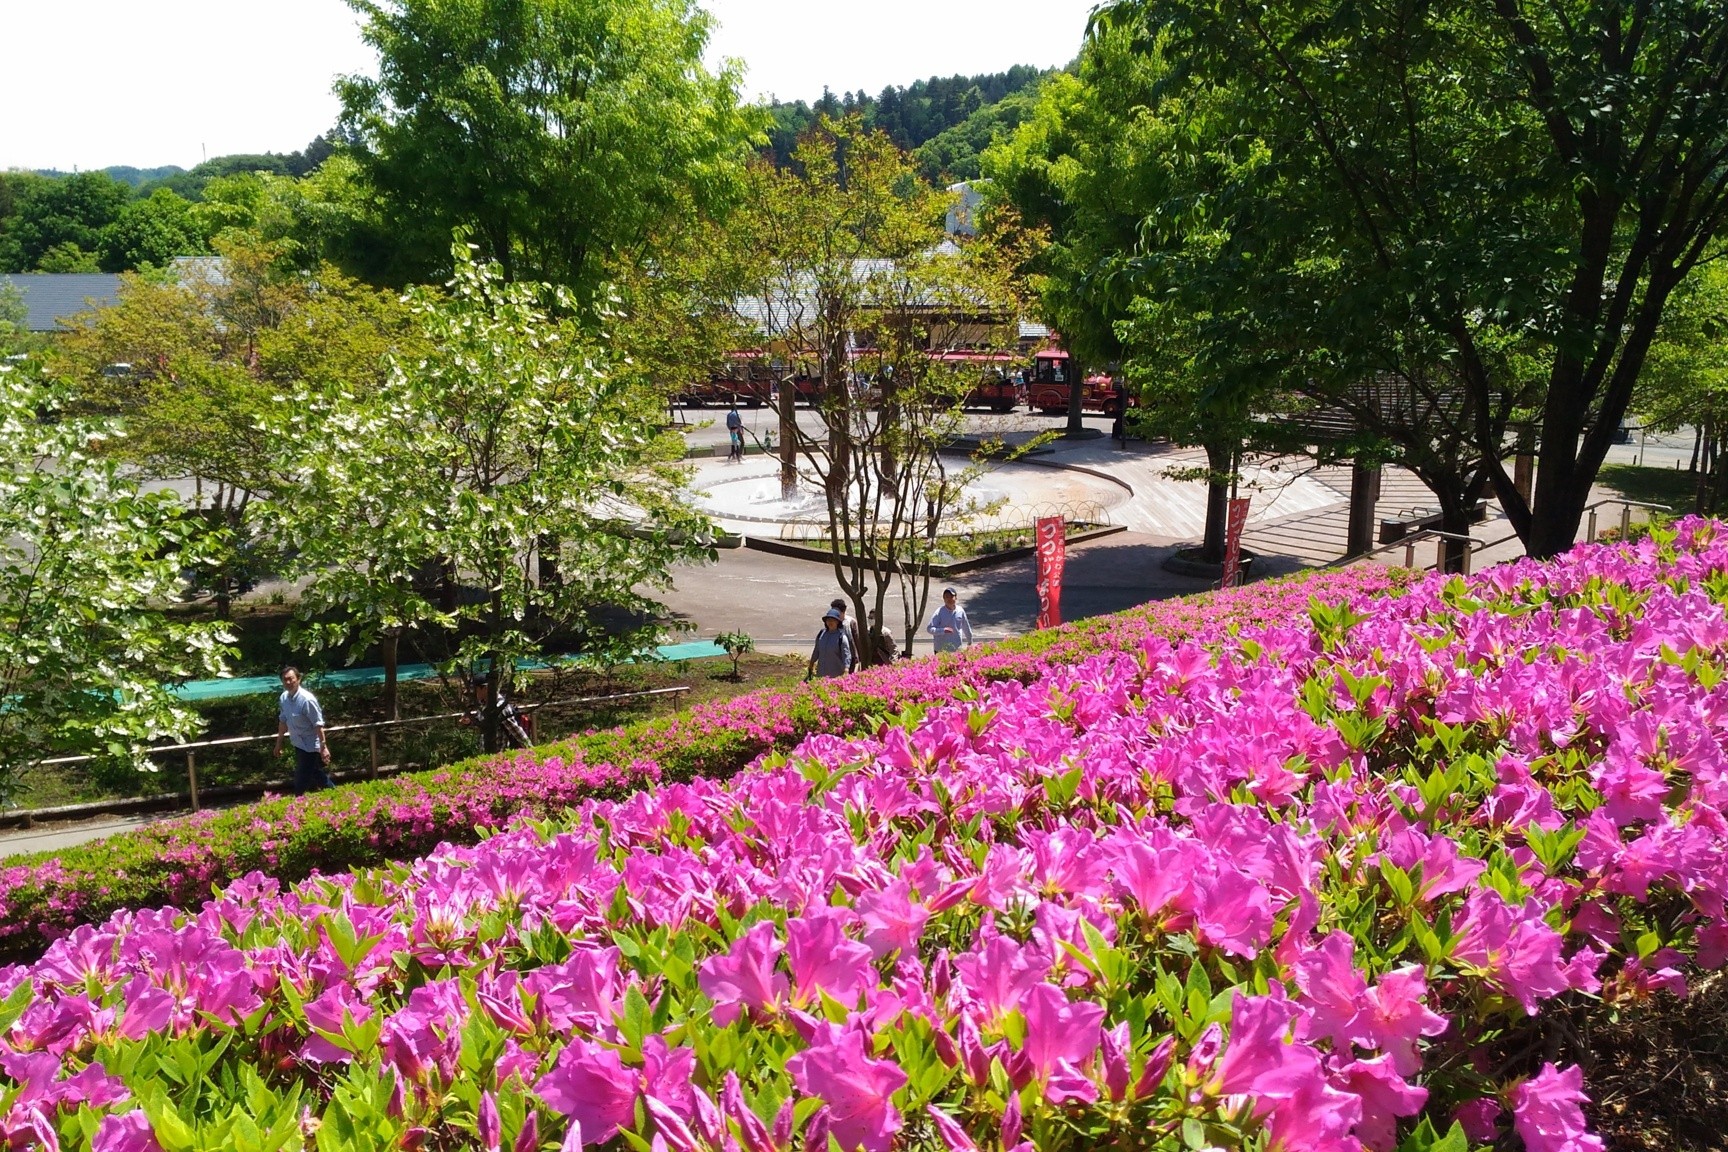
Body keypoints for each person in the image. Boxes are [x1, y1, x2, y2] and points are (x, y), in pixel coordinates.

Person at [274, 665, 333, 793]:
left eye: (291, 679)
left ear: (298, 679)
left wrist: (323, 747)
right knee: (316, 773)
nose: (288, 682)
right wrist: (279, 743)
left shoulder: (307, 700)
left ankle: (297, 804)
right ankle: (334, 793)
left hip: (311, 745)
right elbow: (283, 721)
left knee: (301, 778)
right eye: (285, 680)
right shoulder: (284, 698)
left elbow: (318, 724)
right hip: (298, 743)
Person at [462, 676, 533, 751]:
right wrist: (469, 721)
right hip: (486, 755)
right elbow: (483, 724)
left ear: (485, 688)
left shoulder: (500, 707)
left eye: (475, 690)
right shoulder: (483, 705)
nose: (473, 694)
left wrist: (532, 750)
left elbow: (517, 731)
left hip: (499, 755)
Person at [807, 607, 854, 679]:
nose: (830, 622)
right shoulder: (821, 634)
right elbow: (816, 651)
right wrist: (811, 664)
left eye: (833, 620)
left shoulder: (841, 637)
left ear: (837, 622)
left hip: (836, 676)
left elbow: (846, 655)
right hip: (821, 674)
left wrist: (846, 670)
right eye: (828, 620)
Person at [927, 587, 974, 654]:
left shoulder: (960, 611)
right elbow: (930, 629)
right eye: (947, 597)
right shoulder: (939, 612)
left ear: (956, 598)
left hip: (956, 649)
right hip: (941, 650)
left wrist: (970, 642)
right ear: (944, 599)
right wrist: (943, 630)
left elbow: (966, 627)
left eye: (951, 596)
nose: (949, 599)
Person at [830, 598, 863, 672]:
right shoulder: (830, 621)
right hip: (836, 657)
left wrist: (860, 659)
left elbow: (857, 640)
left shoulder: (851, 622)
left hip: (851, 658)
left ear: (843, 611)